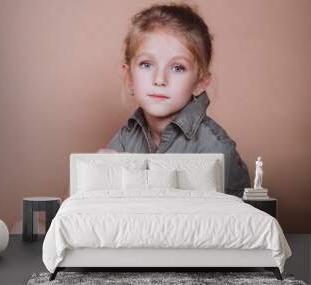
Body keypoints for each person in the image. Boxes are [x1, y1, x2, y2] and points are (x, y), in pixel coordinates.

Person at [98, 3, 250, 196]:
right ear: (130, 77)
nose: (160, 79)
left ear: (200, 82)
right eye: (146, 64)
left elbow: (233, 223)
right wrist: (96, 175)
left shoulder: (215, 150)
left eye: (177, 67)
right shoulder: (126, 138)